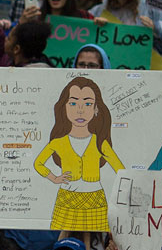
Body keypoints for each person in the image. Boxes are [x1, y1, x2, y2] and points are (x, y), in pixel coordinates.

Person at [31, 74, 123, 232]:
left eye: (88, 104)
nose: (80, 111)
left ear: (96, 109)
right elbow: (38, 163)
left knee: (95, 246)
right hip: (66, 200)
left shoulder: (100, 143)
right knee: (63, 243)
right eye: (73, 103)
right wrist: (54, 178)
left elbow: (120, 170)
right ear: (64, 107)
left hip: (95, 201)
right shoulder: (58, 142)